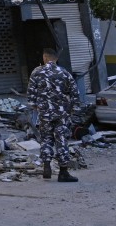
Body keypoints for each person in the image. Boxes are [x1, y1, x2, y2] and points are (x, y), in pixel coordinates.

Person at [27, 47, 80, 183]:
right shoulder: (64, 72)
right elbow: (74, 93)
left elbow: (31, 92)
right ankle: (63, 172)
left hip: (44, 113)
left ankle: (46, 167)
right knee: (61, 140)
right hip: (62, 113)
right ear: (56, 59)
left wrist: (35, 106)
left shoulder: (36, 72)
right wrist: (73, 109)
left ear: (45, 58)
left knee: (46, 138)